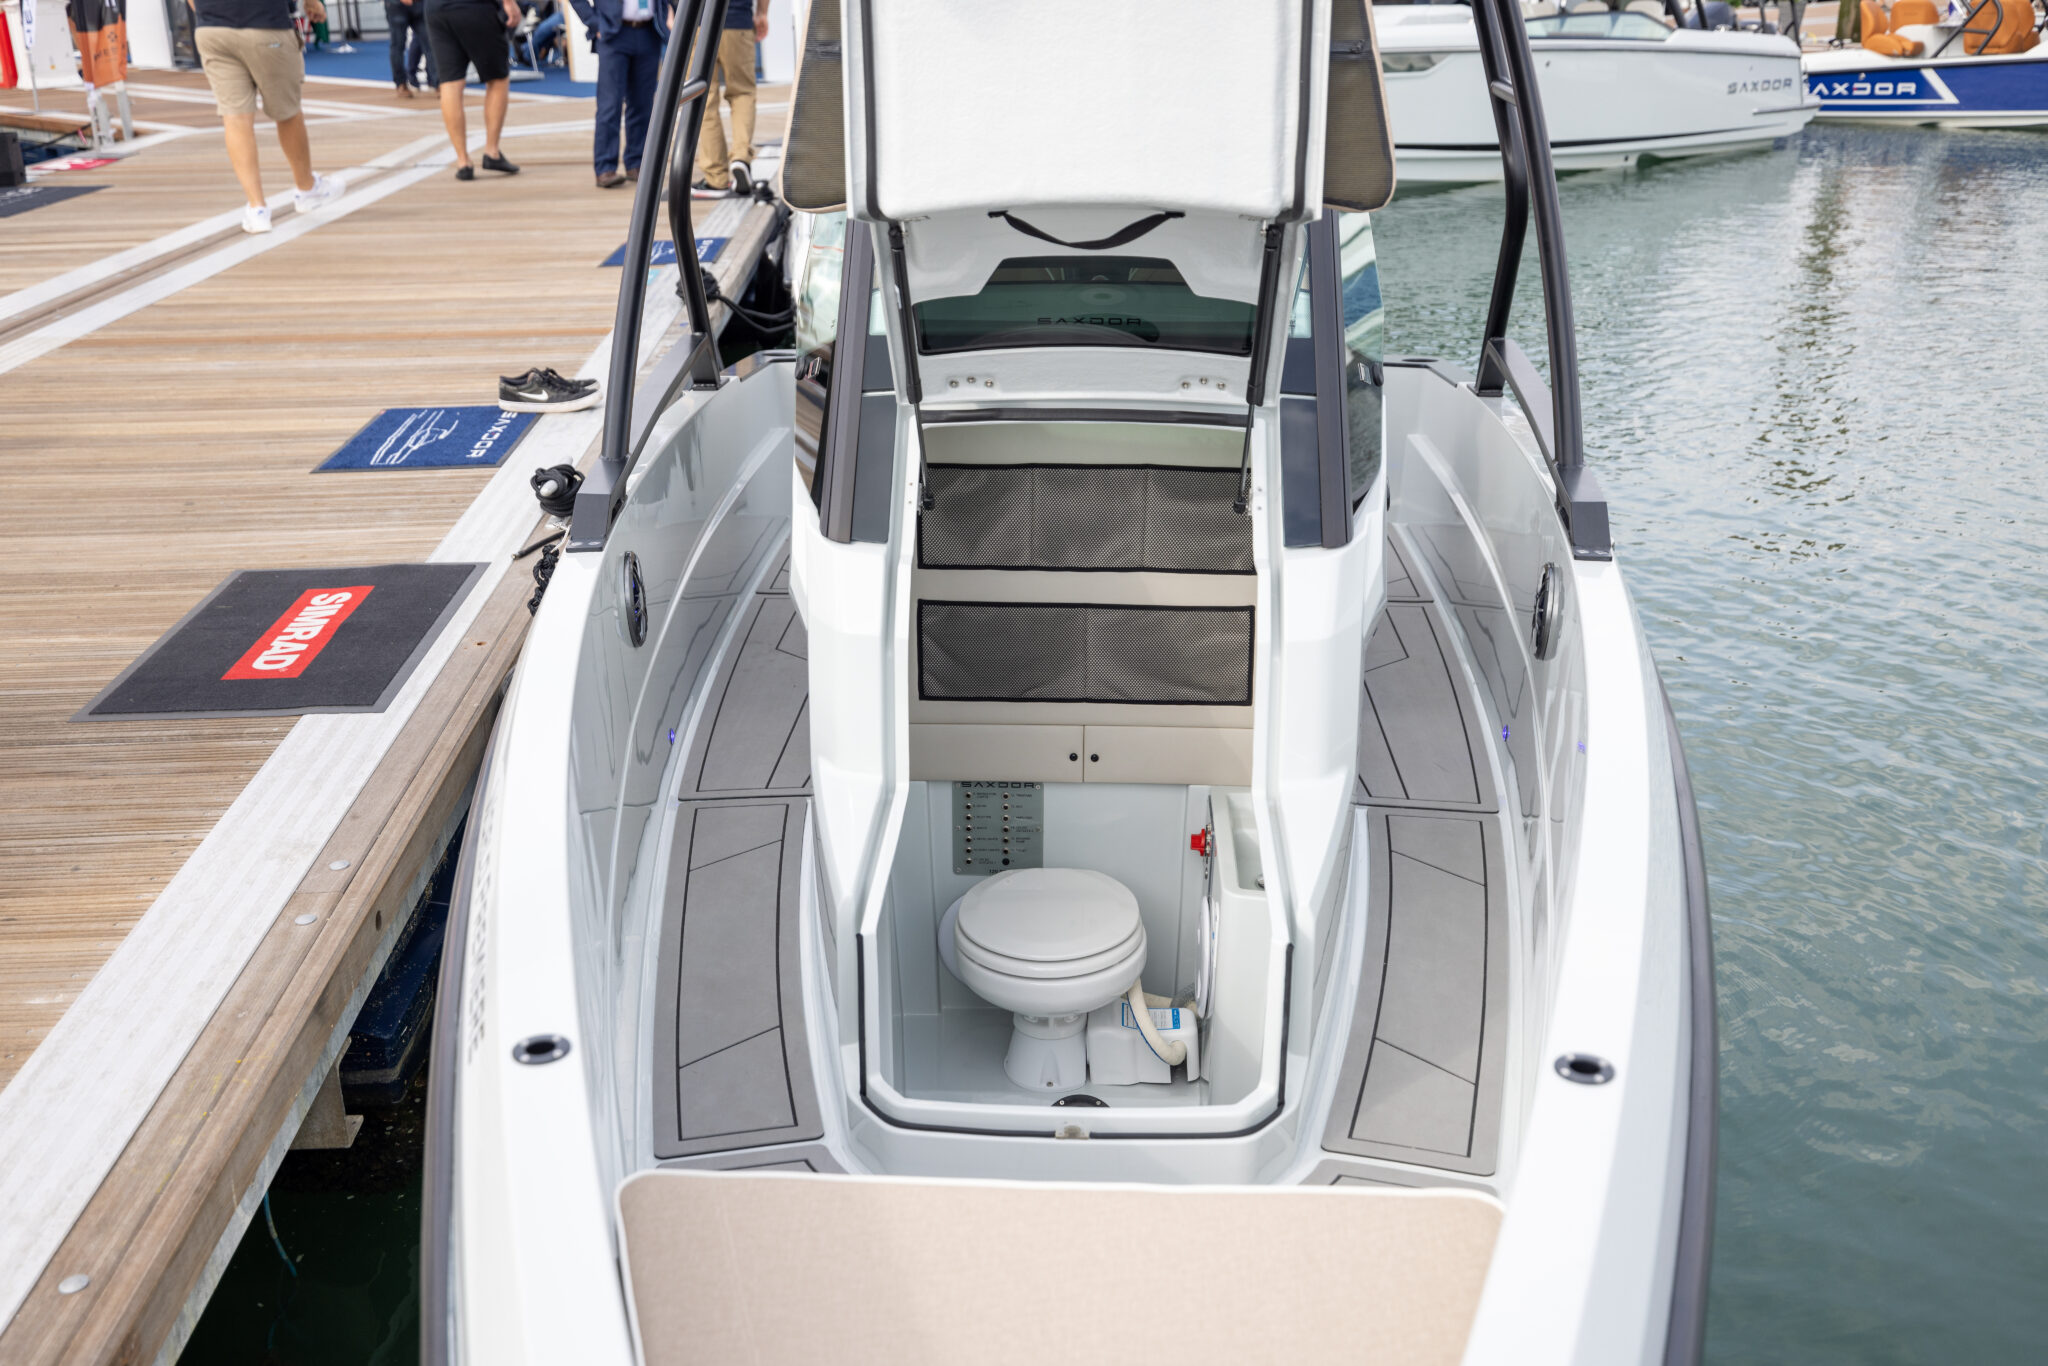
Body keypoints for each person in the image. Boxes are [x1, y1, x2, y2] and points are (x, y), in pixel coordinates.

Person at [187, 0, 343, 233]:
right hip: (265, 22)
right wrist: (312, 3)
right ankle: (307, 189)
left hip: (212, 28)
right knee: (287, 112)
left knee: (235, 117)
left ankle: (257, 208)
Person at [566, 0, 666, 189]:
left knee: (643, 104)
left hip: (649, 32)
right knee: (610, 104)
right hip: (614, 33)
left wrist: (668, 13)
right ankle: (605, 168)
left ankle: (637, 163)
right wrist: (594, 22)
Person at [427, 0, 523, 179]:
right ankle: (492, 152)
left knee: (450, 83)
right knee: (497, 79)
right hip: (474, 7)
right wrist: (509, 3)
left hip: (436, 10)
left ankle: (463, 161)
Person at [691, 0, 767, 197]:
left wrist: (670, 13)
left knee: (704, 99)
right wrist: (762, 13)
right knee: (743, 93)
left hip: (699, 25)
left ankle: (715, 177)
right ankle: (741, 157)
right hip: (738, 23)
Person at [386, 0, 437, 94]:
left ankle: (436, 82)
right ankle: (401, 83)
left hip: (419, 5)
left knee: (430, 44)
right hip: (398, 5)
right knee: (398, 45)